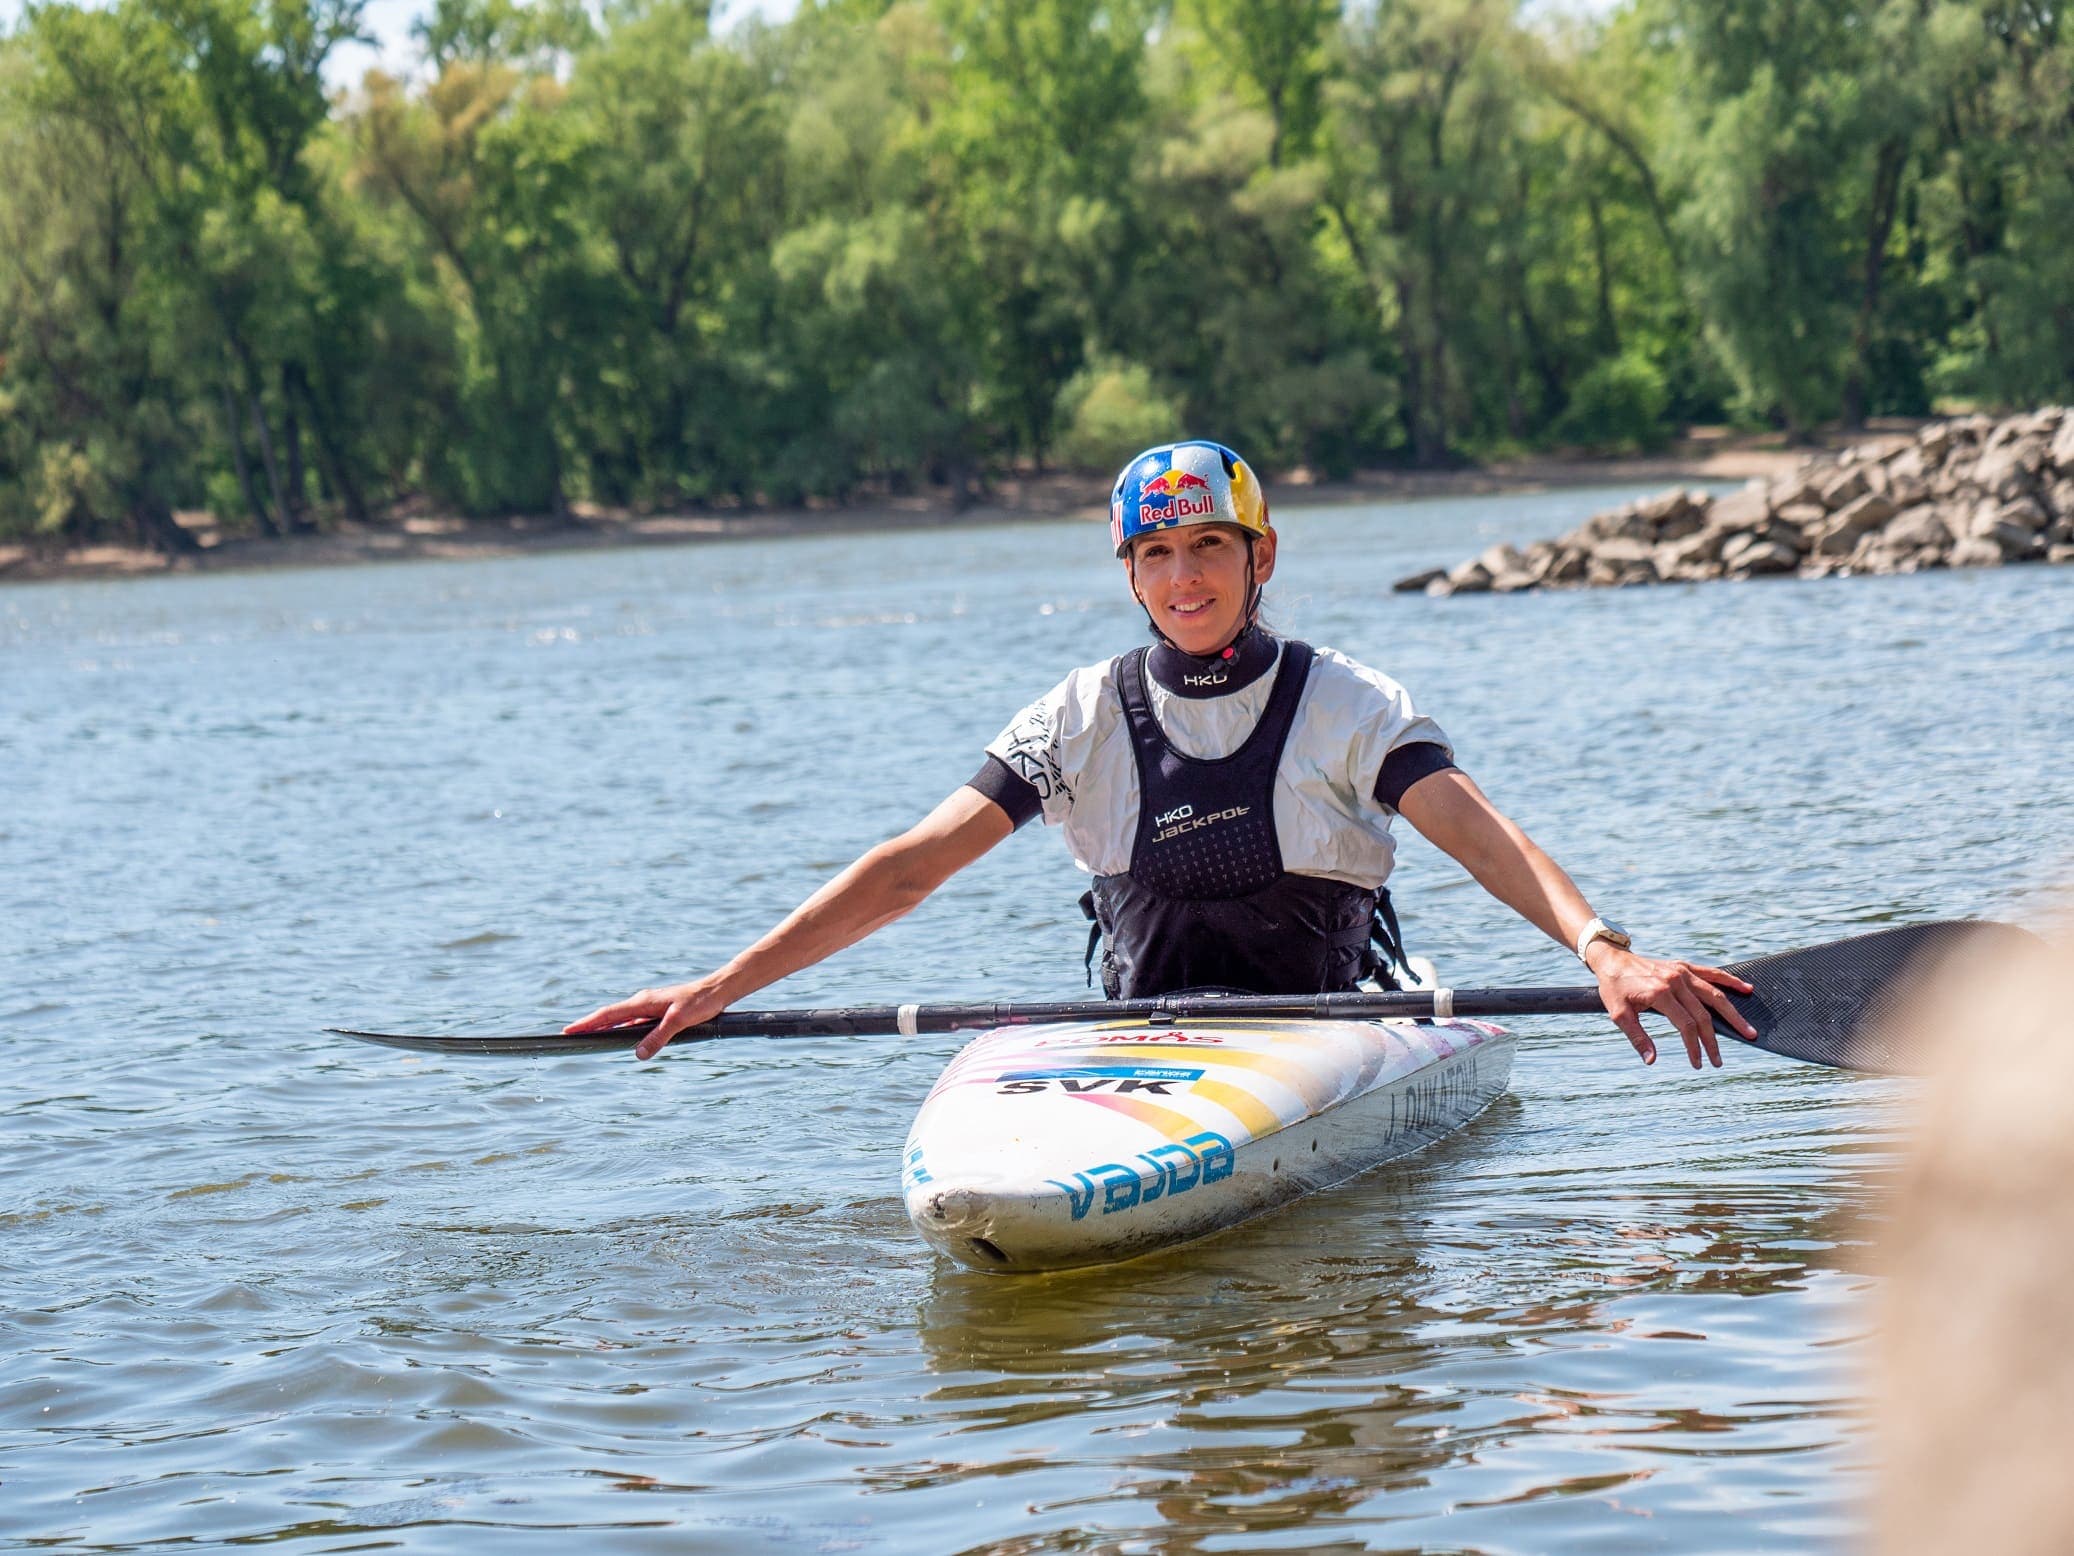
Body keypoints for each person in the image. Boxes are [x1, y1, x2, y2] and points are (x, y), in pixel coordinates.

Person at [568, 439, 1757, 1065]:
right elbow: (911, 865)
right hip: (1146, 1048)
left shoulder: (1345, 703)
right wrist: (716, 986)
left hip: (1327, 1032)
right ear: (1127, 574)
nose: (1182, 576)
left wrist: (1604, 949)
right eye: (1154, 554)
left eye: (1207, 546)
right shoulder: (1078, 716)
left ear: (1262, 556)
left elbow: (1472, 827)